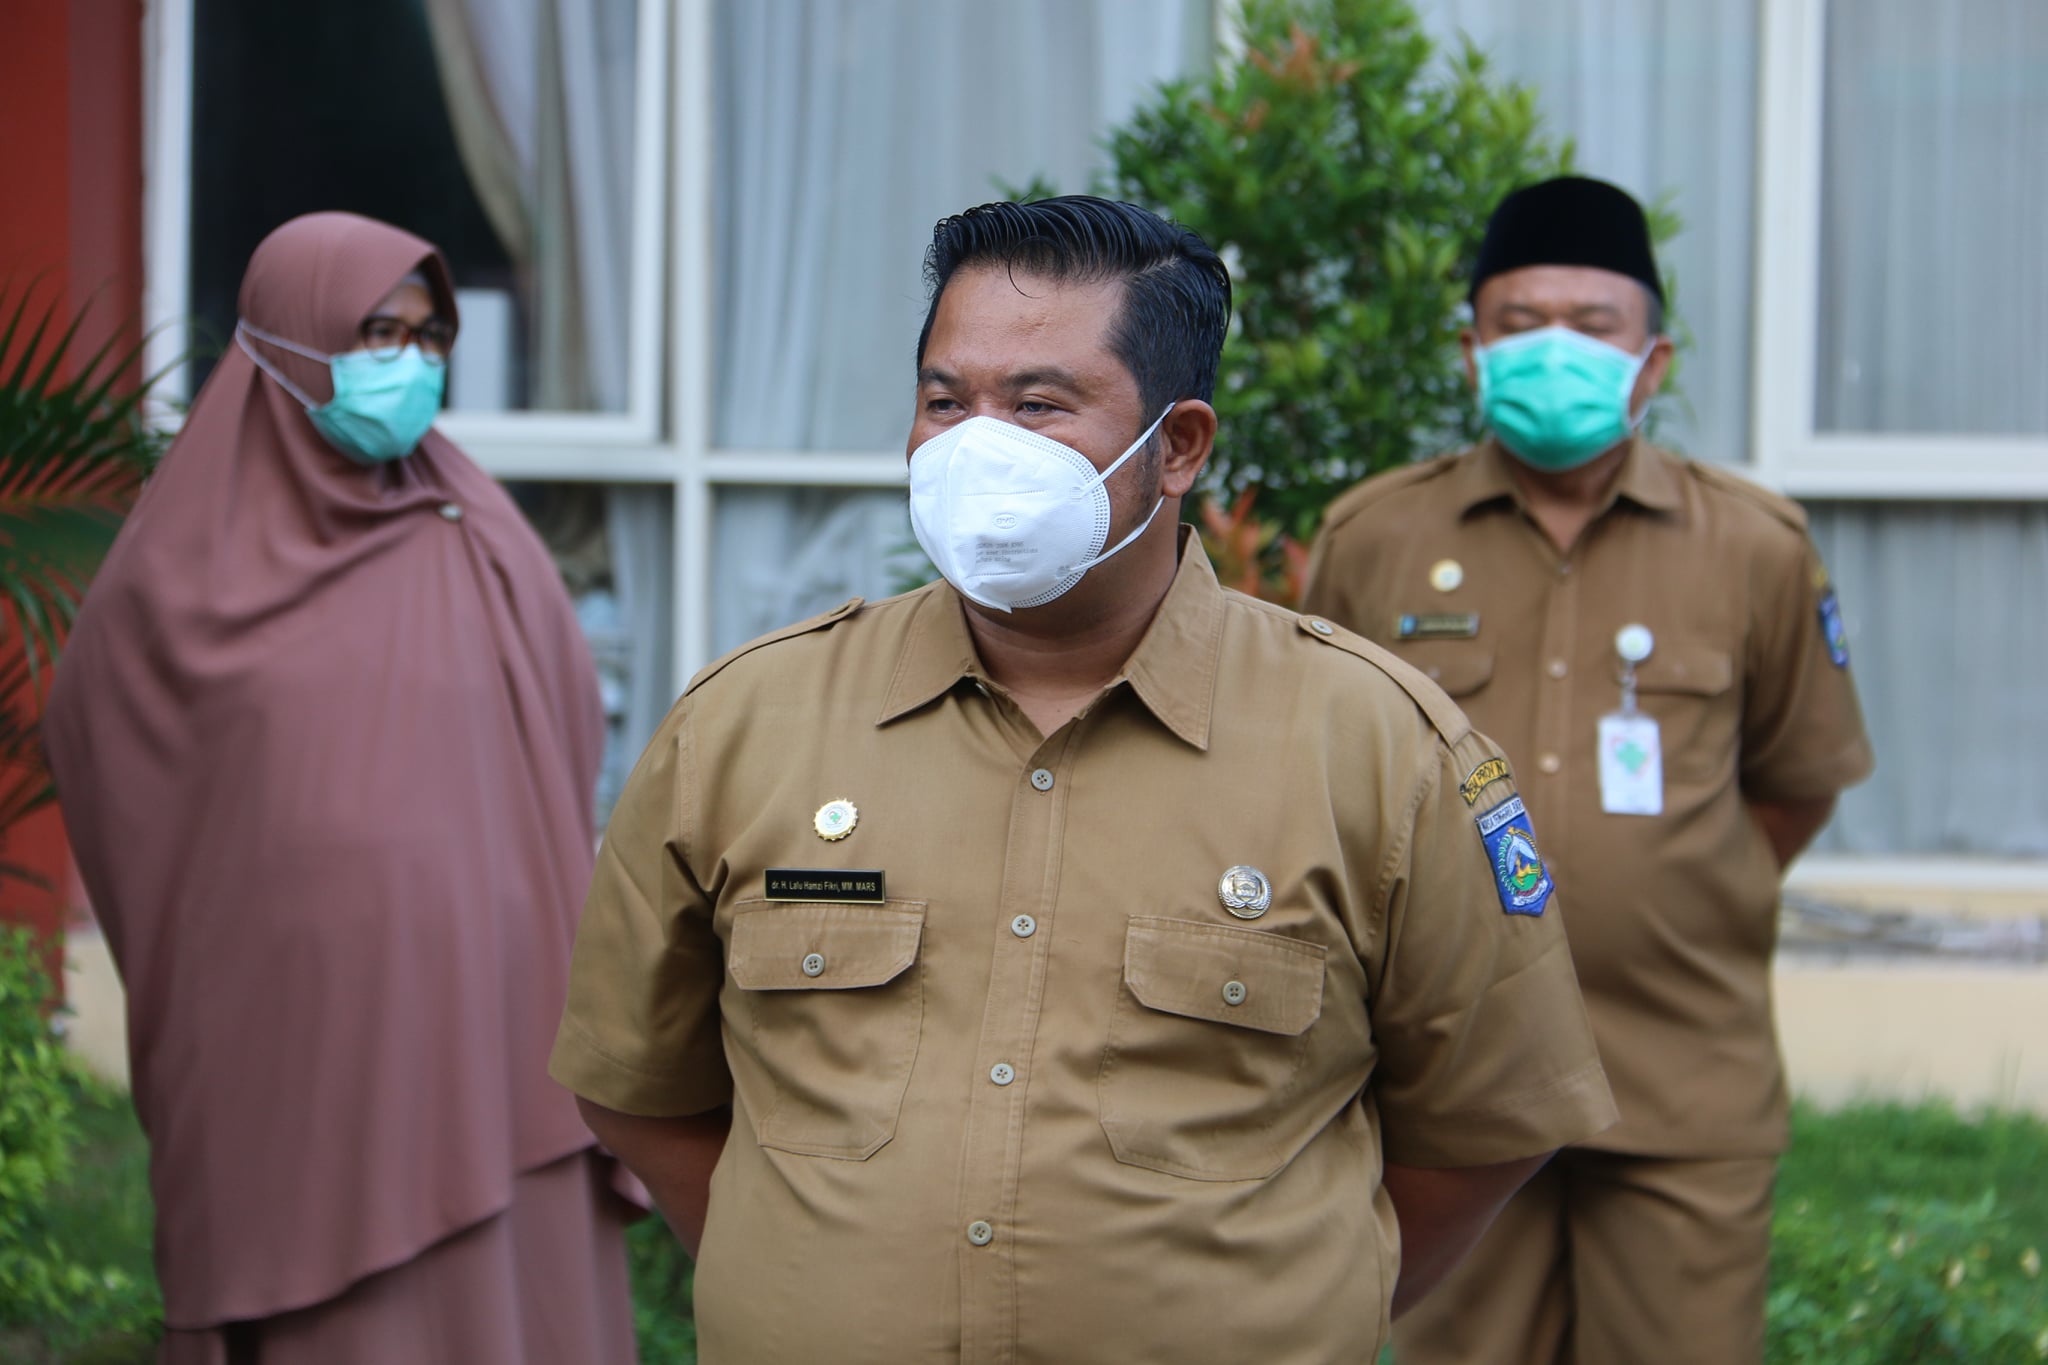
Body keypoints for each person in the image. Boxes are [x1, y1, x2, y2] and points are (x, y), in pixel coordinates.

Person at [550, 195, 1618, 1363]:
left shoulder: (1375, 746)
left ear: (1177, 446)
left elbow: (1486, 1121)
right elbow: (634, 1084)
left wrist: (1303, 1296)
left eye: (1037, 405)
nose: (974, 445)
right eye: (943, 402)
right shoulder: (746, 723)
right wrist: (796, 1274)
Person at [43, 212, 641, 1364]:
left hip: (501, 1010)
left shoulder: (477, 528)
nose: (406, 364)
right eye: (374, 332)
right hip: (295, 1030)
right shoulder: (178, 568)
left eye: (426, 337)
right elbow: (111, 757)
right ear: (285, 337)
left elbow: (563, 741)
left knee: (510, 1293)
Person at [1301, 176, 1876, 1364]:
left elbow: (1793, 783)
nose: (1551, 346)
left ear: (1649, 362)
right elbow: (1327, 782)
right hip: (1449, 1079)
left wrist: (1662, 892)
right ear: (1470, 351)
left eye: (1590, 323)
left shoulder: (1753, 546)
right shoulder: (1375, 536)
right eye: (1518, 322)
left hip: (1678, 1075)